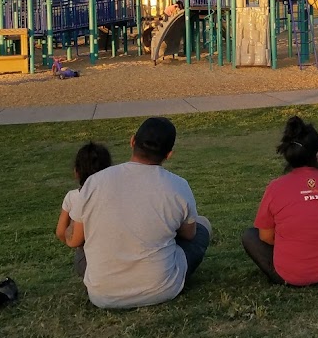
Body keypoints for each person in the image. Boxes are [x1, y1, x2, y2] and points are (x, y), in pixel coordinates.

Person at [66, 116, 211, 309]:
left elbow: (76, 237)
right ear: (169, 154)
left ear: (132, 141)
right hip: (162, 288)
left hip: (103, 295)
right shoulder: (178, 186)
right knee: (203, 226)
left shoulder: (94, 182)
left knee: (84, 249)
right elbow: (189, 234)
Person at [242, 116, 318, 286]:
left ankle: (294, 269)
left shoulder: (275, 188)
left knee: (250, 236)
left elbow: (265, 237)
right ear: (317, 156)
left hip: (294, 276)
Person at [55, 142, 113, 277]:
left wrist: (76, 242)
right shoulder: (115, 194)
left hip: (87, 260)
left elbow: (60, 232)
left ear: (76, 172)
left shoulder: (72, 197)